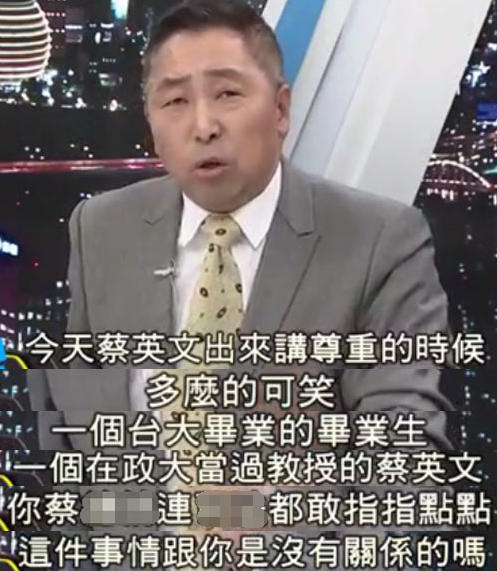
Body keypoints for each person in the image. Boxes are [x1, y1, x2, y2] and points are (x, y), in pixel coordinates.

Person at [28, 0, 454, 568]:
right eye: (175, 101)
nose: (203, 126)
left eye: (227, 94)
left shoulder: (380, 241)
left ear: (280, 108)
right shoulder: (101, 228)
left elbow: (406, 460)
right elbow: (76, 433)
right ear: (150, 119)